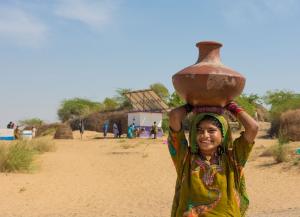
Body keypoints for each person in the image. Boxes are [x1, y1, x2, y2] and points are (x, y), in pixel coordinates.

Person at [168, 102, 259, 217]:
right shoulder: (185, 158)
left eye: (211, 131)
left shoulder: (233, 159)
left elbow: (253, 128)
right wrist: (192, 105)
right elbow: (174, 116)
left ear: (223, 135)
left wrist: (230, 106)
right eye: (200, 131)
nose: (205, 135)